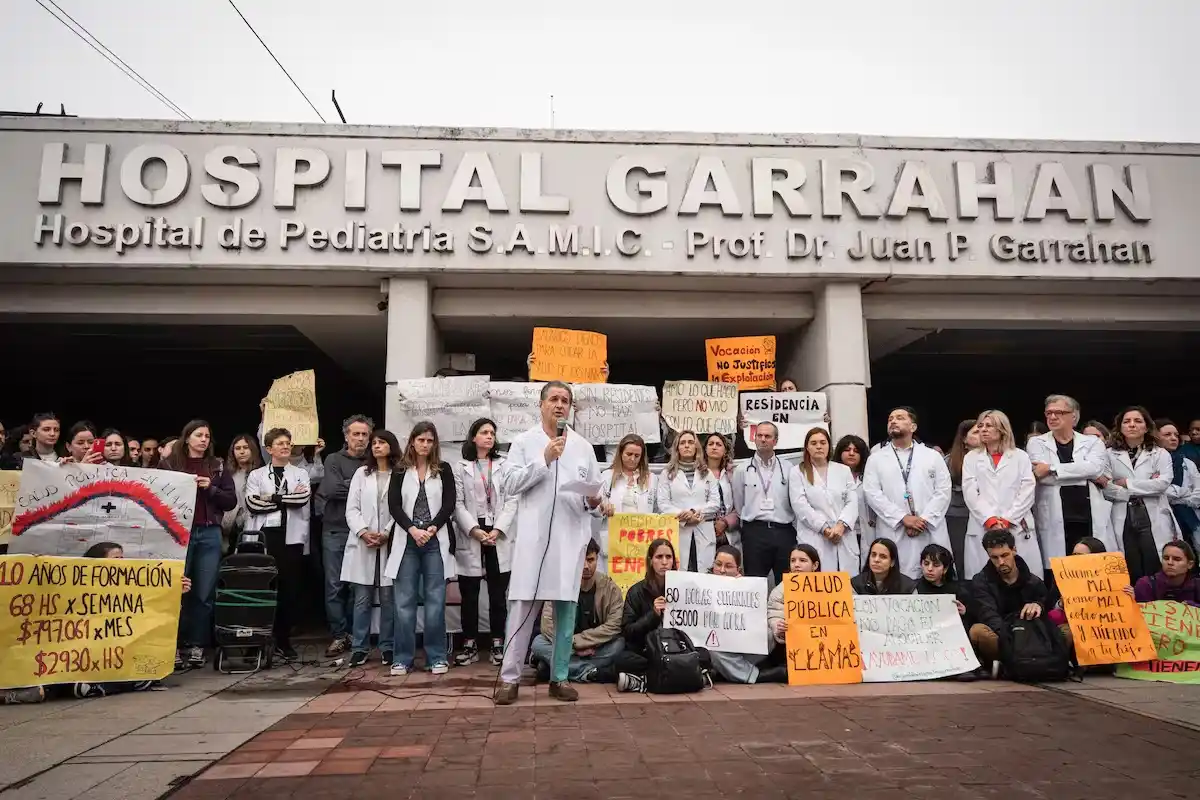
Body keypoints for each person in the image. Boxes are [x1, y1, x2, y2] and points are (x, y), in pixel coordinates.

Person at [495, 381, 603, 705]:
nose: (560, 405)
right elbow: (509, 484)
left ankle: (560, 678)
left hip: (570, 541)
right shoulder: (524, 442)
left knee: (566, 613)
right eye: (554, 399)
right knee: (522, 610)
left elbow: (594, 491)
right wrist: (543, 459)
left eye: (565, 400)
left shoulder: (583, 447)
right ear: (541, 404)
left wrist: (594, 501)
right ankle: (509, 679)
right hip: (533, 540)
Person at [159, 420, 237, 669]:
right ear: (187, 437)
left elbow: (230, 501)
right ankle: (173, 645)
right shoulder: (171, 464)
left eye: (207, 435)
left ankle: (197, 645)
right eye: (198, 435)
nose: (203, 439)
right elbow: (157, 494)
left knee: (203, 593)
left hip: (209, 532)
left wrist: (211, 488)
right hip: (179, 533)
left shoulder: (217, 466)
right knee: (175, 591)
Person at [385, 421, 456, 677]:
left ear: (434, 443)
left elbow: (449, 504)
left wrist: (432, 528)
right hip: (408, 541)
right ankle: (402, 658)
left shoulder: (444, 469)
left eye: (430, 440)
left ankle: (436, 657)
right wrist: (412, 529)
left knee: (436, 601)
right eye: (421, 440)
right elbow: (394, 506)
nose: (425, 444)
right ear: (412, 441)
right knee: (404, 602)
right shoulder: (400, 470)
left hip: (435, 540)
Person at [453, 418, 518, 667]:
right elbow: (457, 503)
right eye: (484, 432)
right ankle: (469, 644)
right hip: (473, 531)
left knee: (497, 594)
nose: (489, 436)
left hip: (497, 533)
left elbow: (512, 500)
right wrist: (474, 530)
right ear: (473, 438)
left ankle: (497, 643)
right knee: (469, 593)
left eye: (492, 432)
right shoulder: (461, 466)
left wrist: (499, 529)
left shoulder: (504, 464)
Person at [244, 427, 312, 663]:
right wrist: (284, 500)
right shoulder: (257, 475)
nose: (285, 447)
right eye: (280, 443)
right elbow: (253, 504)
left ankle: (283, 640)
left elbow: (301, 499)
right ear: (269, 448)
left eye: (288, 443)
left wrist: (271, 498)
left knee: (288, 589)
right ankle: (257, 640)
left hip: (291, 538)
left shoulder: (301, 473)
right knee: (262, 588)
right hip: (265, 536)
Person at [1027, 395, 1117, 571]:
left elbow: (1095, 469)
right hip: (1055, 514)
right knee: (1060, 570)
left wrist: (1052, 468)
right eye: (1049, 413)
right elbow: (1043, 478)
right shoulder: (1036, 442)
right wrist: (1082, 473)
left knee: (1093, 567)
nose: (1052, 417)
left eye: (1059, 412)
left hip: (1088, 513)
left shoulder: (1092, 442)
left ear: (1074, 417)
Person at [862, 407, 952, 579]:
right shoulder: (876, 458)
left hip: (928, 528)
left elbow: (943, 491)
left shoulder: (932, 456)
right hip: (895, 527)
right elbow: (872, 493)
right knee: (896, 578)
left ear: (913, 427)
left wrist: (923, 520)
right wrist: (903, 518)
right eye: (890, 419)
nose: (893, 421)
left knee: (933, 575)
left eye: (900, 418)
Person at [316, 415, 373, 658]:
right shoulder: (333, 459)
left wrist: (351, 486)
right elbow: (332, 489)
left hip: (363, 531)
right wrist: (361, 488)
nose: (360, 438)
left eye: (364, 435)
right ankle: (339, 636)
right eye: (355, 434)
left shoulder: (374, 460)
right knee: (334, 586)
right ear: (346, 435)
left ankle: (355, 635)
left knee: (358, 586)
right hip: (335, 529)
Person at [343, 430, 401, 667]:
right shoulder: (361, 473)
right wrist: (364, 532)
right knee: (362, 599)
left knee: (388, 598)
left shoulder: (399, 474)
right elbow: (351, 509)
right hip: (364, 543)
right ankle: (359, 647)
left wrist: (387, 532)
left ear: (391, 446)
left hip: (389, 541)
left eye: (382, 442)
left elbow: (401, 508)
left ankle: (387, 646)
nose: (376, 446)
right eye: (374, 443)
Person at [961, 410, 1041, 580]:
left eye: (988, 426)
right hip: (983, 525)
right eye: (980, 426)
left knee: (1021, 576)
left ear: (1002, 429)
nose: (983, 429)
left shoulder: (1020, 457)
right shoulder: (971, 458)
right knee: (983, 580)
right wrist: (989, 519)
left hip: (1015, 524)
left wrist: (1007, 519)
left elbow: (1027, 490)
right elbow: (970, 492)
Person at [531, 539, 625, 683]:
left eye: (590, 560)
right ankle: (587, 672)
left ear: (597, 559)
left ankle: (554, 667)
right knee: (538, 643)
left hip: (595, 647)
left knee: (619, 644)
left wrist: (578, 642)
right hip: (570, 647)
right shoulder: (560, 585)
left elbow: (615, 624)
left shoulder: (609, 587)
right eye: (581, 561)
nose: (586, 566)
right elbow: (547, 624)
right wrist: (574, 648)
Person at [969, 528, 1057, 675]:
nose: (1001, 562)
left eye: (1005, 555)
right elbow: (988, 614)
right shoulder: (981, 581)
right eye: (995, 558)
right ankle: (1010, 662)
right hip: (1004, 638)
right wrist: (1012, 639)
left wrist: (1038, 605)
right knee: (978, 631)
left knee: (1065, 631)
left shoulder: (1033, 581)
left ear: (1014, 550)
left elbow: (1047, 611)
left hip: (1030, 639)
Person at [1105, 407, 1176, 584]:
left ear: (1146, 427)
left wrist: (1127, 483)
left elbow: (1162, 484)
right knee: (1130, 563)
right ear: (1120, 427)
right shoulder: (1108, 454)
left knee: (1154, 560)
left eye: (1138, 421)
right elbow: (1107, 487)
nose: (1132, 425)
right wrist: (1145, 486)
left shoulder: (1160, 453)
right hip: (1124, 512)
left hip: (1151, 512)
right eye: (1127, 421)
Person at [706, 545, 788, 684]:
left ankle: (727, 671)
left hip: (742, 643)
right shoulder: (700, 585)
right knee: (713, 651)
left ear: (738, 569)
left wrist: (740, 588)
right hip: (717, 645)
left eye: (728, 566)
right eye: (718, 565)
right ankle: (755, 675)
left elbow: (756, 621)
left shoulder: (749, 588)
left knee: (768, 634)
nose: (722, 570)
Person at [789, 427, 859, 573]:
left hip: (843, 535)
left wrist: (841, 526)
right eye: (813, 443)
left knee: (847, 585)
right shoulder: (797, 472)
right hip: (815, 536)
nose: (819, 446)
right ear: (807, 447)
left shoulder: (843, 470)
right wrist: (825, 529)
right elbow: (801, 506)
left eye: (823, 442)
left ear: (829, 445)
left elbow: (852, 502)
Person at [731, 421, 795, 581]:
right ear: (754, 439)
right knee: (754, 583)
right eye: (759, 435)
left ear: (775, 440)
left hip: (783, 532)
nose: (763, 439)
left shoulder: (788, 468)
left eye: (767, 436)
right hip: (755, 533)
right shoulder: (743, 469)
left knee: (787, 583)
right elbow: (739, 503)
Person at [656, 430, 720, 573]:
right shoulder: (667, 474)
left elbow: (715, 502)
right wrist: (683, 516)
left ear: (696, 447)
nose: (686, 446)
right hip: (679, 529)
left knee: (705, 574)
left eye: (690, 442)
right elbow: (663, 504)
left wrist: (695, 513)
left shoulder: (707, 473)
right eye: (682, 443)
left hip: (703, 528)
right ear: (677, 447)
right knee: (680, 573)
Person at [593, 434, 656, 573]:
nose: (632, 459)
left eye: (637, 455)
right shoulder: (607, 476)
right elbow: (595, 509)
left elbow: (658, 510)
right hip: (614, 542)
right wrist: (603, 507)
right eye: (629, 454)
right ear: (620, 453)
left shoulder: (651, 479)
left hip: (640, 542)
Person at [766, 544, 821, 648]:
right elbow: (774, 613)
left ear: (815, 565)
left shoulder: (830, 586)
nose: (796, 564)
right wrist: (778, 626)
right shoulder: (780, 589)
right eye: (793, 560)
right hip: (794, 645)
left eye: (802, 560)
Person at [945, 419, 980, 578]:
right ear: (964, 439)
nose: (982, 434)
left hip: (984, 514)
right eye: (976, 432)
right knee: (961, 557)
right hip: (958, 515)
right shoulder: (949, 461)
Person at [1156, 419, 1200, 548]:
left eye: (1176, 435)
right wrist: (1184, 492)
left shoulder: (1186, 462)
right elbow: (1155, 490)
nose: (1173, 438)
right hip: (1160, 516)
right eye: (1167, 435)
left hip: (1190, 516)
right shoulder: (1151, 461)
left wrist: (1180, 499)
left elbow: (1198, 492)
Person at [221, 434, 262, 554]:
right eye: (237, 448)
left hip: (255, 526)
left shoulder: (262, 473)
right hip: (230, 529)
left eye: (245, 447)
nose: (242, 451)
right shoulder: (227, 475)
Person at [1132, 540, 1200, 606]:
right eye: (1166, 558)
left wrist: (1193, 607)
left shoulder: (1197, 586)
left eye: (1177, 559)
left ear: (1190, 564)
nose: (1170, 563)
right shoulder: (1145, 585)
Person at [704, 433, 739, 550]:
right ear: (705, 449)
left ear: (725, 450)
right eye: (711, 444)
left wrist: (725, 522)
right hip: (703, 531)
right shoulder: (697, 474)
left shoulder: (733, 474)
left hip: (728, 534)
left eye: (718, 444)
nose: (714, 447)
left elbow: (740, 505)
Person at [852, 537, 916, 595]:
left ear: (892, 562)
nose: (876, 560)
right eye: (873, 555)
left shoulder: (908, 587)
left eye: (883, 557)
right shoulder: (855, 584)